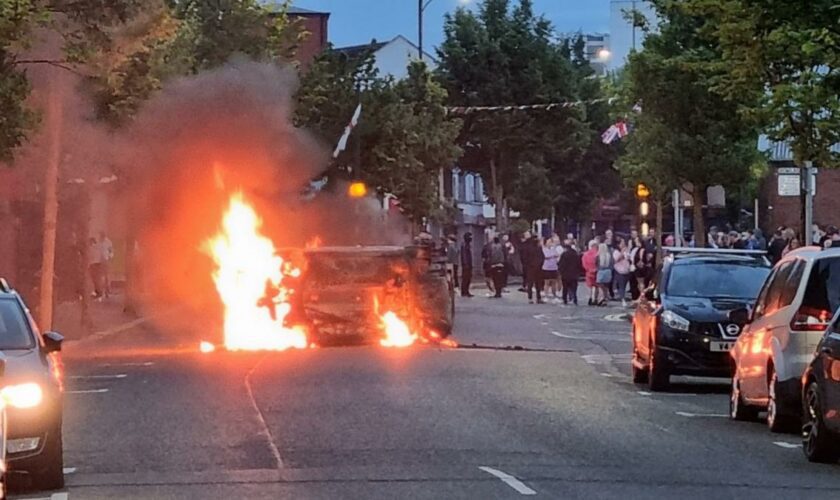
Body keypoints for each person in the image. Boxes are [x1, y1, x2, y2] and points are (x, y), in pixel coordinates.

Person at [521, 234, 545, 304]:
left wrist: (527, 265)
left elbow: (524, 258)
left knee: (531, 283)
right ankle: (538, 298)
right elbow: (542, 257)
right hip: (536, 267)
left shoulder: (528, 247)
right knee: (536, 283)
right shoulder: (538, 248)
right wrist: (540, 264)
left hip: (531, 267)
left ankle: (531, 298)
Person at [558, 239, 582, 305]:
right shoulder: (575, 254)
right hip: (574, 273)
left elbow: (561, 264)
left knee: (565, 287)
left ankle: (565, 299)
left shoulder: (564, 254)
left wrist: (560, 272)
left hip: (565, 274)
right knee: (574, 287)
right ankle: (574, 298)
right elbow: (579, 264)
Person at [613, 238, 632, 307]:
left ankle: (623, 296)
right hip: (619, 271)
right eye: (622, 243)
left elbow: (629, 258)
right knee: (621, 286)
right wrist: (622, 252)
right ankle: (622, 299)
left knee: (625, 286)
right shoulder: (616, 252)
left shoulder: (626, 251)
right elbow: (616, 260)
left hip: (627, 271)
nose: (623, 244)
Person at [581, 241, 599, 306]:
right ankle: (596, 299)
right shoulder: (598, 254)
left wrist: (588, 269)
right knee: (596, 286)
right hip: (596, 272)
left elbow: (584, 264)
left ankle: (590, 298)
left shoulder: (585, 254)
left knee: (590, 286)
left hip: (588, 272)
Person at [99, 231, 114, 297]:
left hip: (106, 260)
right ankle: (102, 289)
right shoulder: (99, 242)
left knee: (107, 275)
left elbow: (111, 251)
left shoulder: (108, 242)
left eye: (101, 234)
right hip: (99, 261)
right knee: (101, 276)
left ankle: (108, 289)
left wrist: (109, 257)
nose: (101, 236)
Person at [460, 233, 474, 297]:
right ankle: (464, 291)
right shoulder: (464, 245)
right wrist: (466, 264)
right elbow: (464, 255)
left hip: (468, 264)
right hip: (466, 265)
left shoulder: (467, 245)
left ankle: (466, 291)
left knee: (468, 278)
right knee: (466, 278)